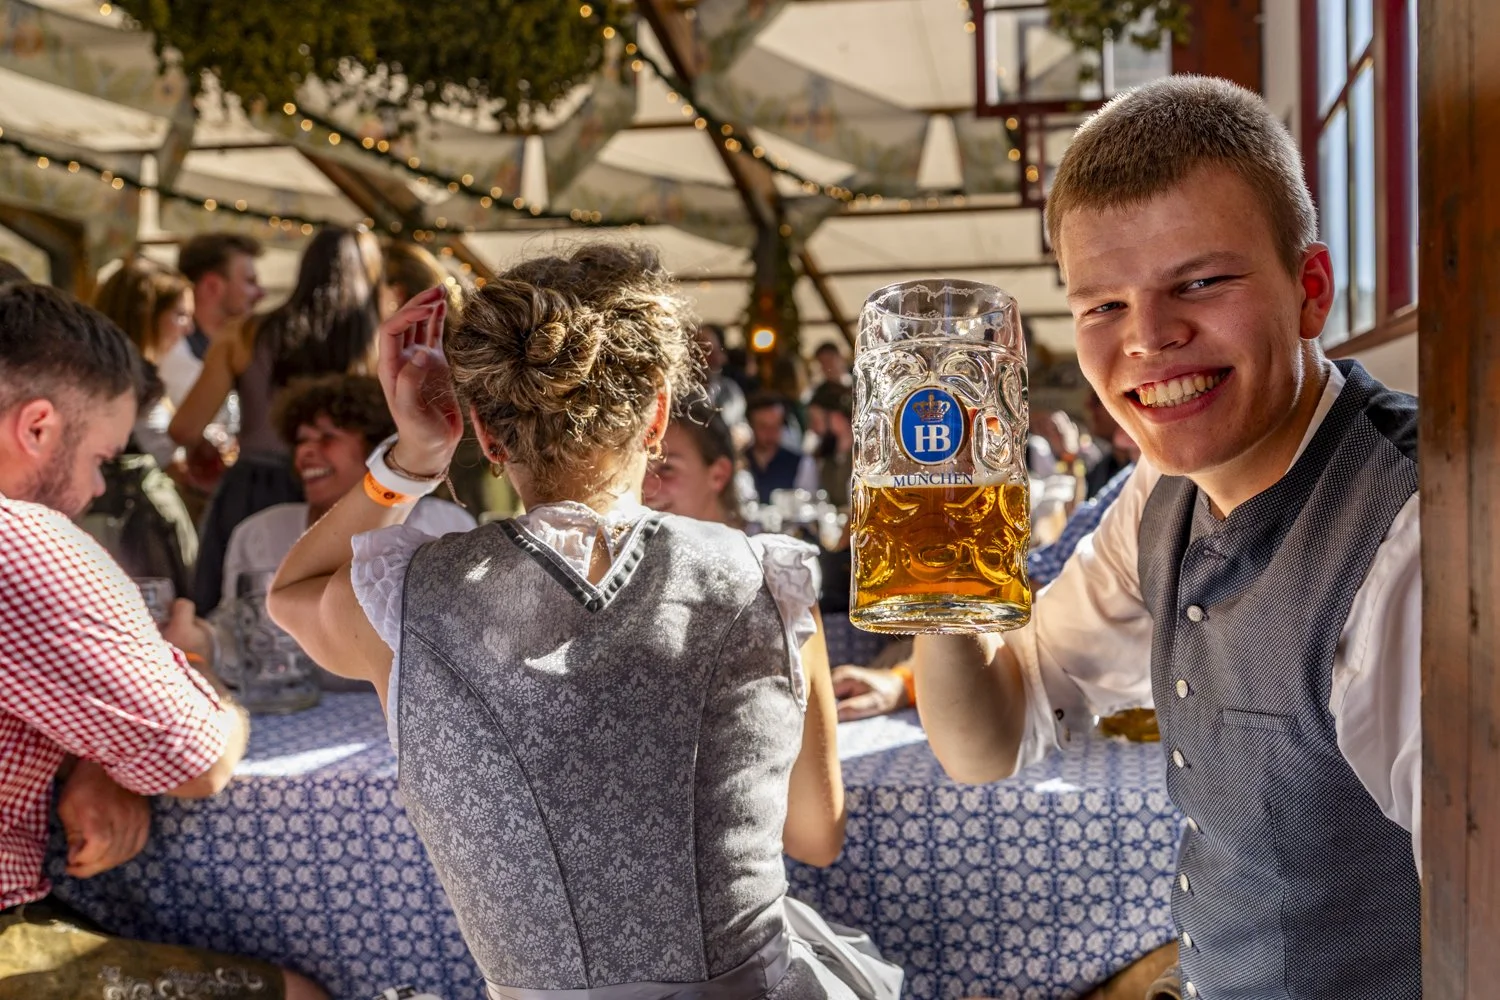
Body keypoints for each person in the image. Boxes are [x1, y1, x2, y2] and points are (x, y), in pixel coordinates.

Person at [268, 245, 902, 999]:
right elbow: (815, 837)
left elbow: (293, 590)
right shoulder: (768, 579)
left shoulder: (402, 599)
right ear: (658, 414)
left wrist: (412, 457)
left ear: (490, 440)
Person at [911, 76, 1420, 999]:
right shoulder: (1166, 489)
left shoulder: (1413, 539)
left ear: (1311, 291)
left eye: (1200, 282)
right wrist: (936, 551)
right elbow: (988, 737)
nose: (1148, 337)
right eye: (1102, 304)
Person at [0, 282, 324, 1000]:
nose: (91, 491)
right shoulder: (22, 540)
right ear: (39, 428)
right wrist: (195, 662)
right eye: (101, 460)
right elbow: (196, 761)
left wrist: (96, 755)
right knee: (297, 994)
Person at [173, 226, 384, 614]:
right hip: (350, 494)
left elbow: (184, 428)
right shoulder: (380, 345)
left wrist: (207, 450)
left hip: (255, 489)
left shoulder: (245, 335)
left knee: (236, 615)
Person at [216, 374, 474, 689]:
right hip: (291, 711)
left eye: (327, 436)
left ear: (377, 445)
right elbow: (233, 636)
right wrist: (203, 640)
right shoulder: (260, 532)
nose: (306, 452)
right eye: (301, 440)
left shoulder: (445, 525)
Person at [832, 460, 1135, 721]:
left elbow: (1047, 601)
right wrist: (905, 681)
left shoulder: (1143, 483)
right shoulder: (1133, 483)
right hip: (1006, 653)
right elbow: (1043, 586)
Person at [92, 257, 196, 467]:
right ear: (147, 316)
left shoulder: (96, 369)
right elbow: (168, 463)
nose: (189, 329)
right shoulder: (128, 382)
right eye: (181, 315)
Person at [164, 233, 264, 408]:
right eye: (250, 281)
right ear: (212, 286)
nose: (262, 293)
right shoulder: (173, 352)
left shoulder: (244, 349)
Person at [642, 399, 743, 527]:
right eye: (642, 471)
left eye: (667, 469)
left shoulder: (759, 544)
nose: (646, 489)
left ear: (718, 475)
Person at [746, 393, 818, 504]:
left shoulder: (802, 463)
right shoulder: (738, 463)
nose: (770, 433)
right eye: (763, 426)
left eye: (776, 426)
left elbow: (808, 507)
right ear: (751, 425)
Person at [805, 380, 854, 510]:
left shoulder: (866, 456)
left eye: (816, 420)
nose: (812, 428)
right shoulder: (823, 455)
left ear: (836, 417)